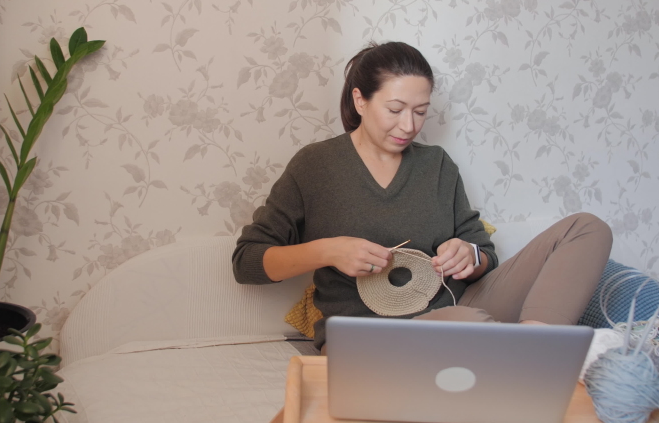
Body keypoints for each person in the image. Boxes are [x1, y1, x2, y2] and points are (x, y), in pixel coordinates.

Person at [232, 41, 612, 351]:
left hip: (460, 310)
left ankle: (535, 353)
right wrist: (329, 250)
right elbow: (246, 262)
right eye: (395, 109)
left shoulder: (437, 165)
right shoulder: (315, 166)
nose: (409, 126)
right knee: (453, 338)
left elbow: (485, 254)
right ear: (360, 100)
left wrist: (470, 256)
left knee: (587, 228)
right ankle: (498, 352)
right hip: (370, 337)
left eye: (420, 111)